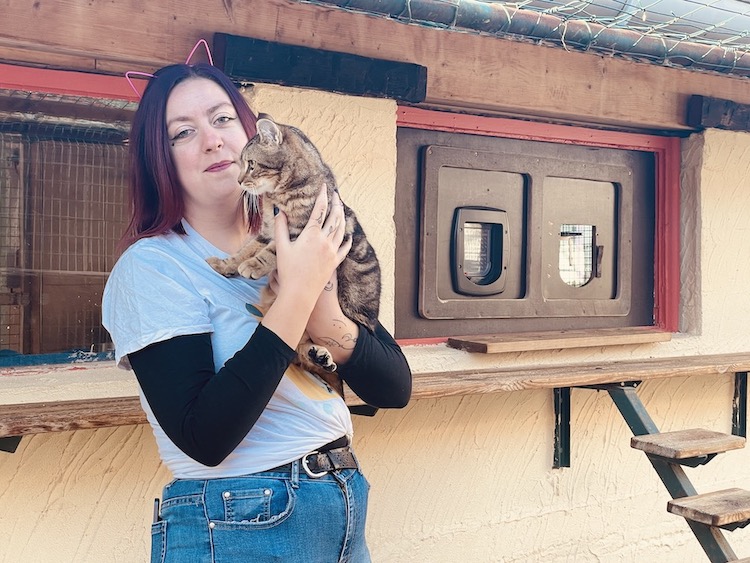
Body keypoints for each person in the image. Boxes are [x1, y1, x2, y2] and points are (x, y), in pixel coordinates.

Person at [102, 60, 411, 563]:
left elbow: (393, 388)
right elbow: (205, 437)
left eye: (222, 119)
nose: (212, 141)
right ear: (159, 160)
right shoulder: (154, 269)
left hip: (339, 501)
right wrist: (296, 295)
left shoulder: (297, 238)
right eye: (183, 132)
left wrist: (324, 308)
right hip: (240, 519)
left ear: (253, 133)